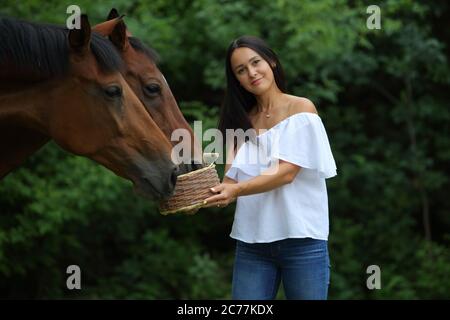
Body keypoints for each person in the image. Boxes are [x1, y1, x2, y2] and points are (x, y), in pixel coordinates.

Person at [204, 35, 337, 300]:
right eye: (241, 70)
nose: (251, 73)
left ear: (272, 62)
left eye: (256, 62)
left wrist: (236, 190)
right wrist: (203, 194)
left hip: (302, 242)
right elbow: (230, 184)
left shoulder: (301, 109)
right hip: (252, 244)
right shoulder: (239, 123)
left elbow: (286, 172)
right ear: (236, 79)